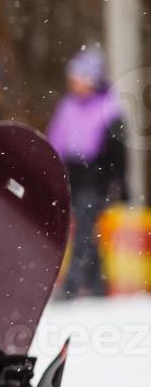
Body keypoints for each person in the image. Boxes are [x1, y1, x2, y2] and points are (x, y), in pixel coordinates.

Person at [47, 46, 127, 299]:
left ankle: (72, 284)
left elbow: (118, 150)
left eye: (78, 79)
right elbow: (56, 141)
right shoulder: (67, 107)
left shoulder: (109, 108)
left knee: (84, 226)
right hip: (73, 176)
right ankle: (97, 284)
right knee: (86, 228)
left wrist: (120, 182)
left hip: (97, 176)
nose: (74, 84)